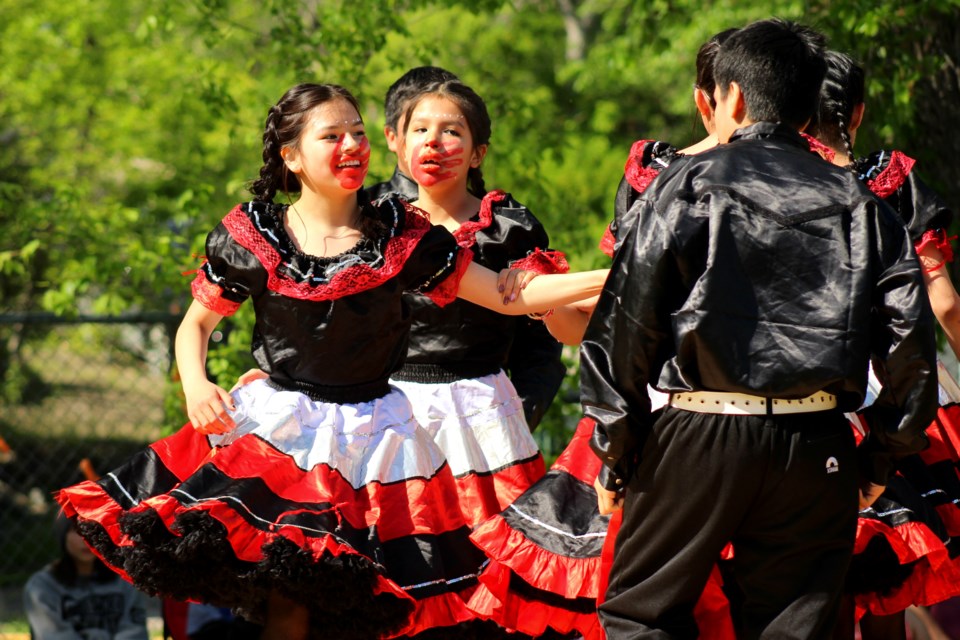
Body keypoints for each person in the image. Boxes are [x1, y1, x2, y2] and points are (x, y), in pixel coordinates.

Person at [55, 83, 609, 640]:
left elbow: (509, 296)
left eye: (358, 133)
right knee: (289, 602)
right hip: (285, 435)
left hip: (381, 439)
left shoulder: (399, 233)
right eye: (332, 135)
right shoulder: (256, 233)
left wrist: (622, 273)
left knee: (384, 608)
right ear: (291, 156)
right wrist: (197, 385)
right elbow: (195, 324)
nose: (352, 146)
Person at [582, 18, 938, 639]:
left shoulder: (685, 184)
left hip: (697, 432)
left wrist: (616, 448)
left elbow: (626, 327)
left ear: (733, 99)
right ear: (808, 107)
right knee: (798, 627)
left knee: (643, 619)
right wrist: (881, 458)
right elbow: (911, 344)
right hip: (815, 443)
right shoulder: (862, 205)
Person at [806, 49, 960, 640]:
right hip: (897, 382)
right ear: (860, 112)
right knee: (892, 566)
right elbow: (942, 300)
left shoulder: (774, 180)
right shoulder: (889, 182)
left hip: (810, 385)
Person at [384, 78, 567, 533]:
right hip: (386, 412)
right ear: (397, 142)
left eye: (452, 130)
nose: (434, 142)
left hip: (485, 419)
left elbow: (543, 338)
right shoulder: (371, 219)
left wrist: (519, 410)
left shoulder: (508, 227)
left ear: (477, 151)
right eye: (420, 129)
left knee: (488, 558)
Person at [24, 514, 149, 640]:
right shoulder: (43, 585)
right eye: (76, 530)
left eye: (91, 529)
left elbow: (135, 631)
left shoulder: (124, 581)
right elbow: (53, 635)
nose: (85, 538)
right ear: (63, 537)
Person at [365, 66, 460, 202]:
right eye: (421, 129)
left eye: (450, 131)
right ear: (392, 138)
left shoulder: (489, 214)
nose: (432, 139)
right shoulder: (360, 212)